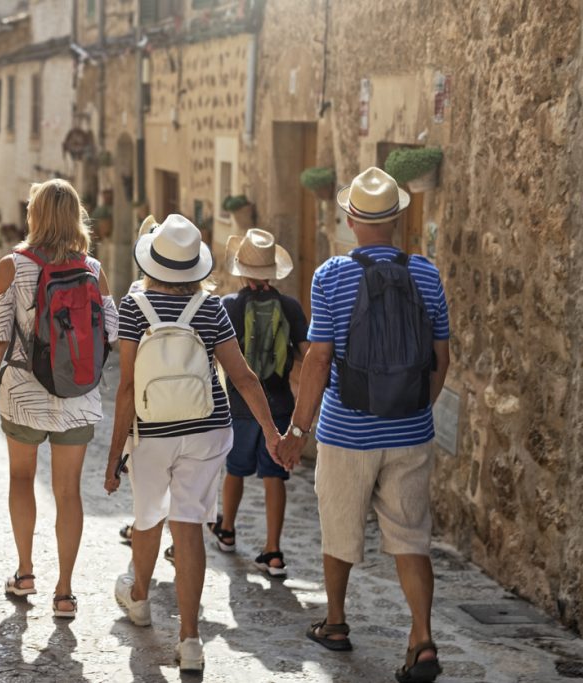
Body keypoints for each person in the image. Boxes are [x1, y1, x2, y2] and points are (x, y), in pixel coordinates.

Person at [277, 167, 450, 683]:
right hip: (410, 432)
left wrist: (297, 430)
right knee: (410, 538)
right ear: (396, 218)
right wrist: (415, 408)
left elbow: (319, 360)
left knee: (340, 528)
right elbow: (442, 357)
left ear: (352, 219)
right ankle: (421, 638)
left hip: (347, 430)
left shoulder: (331, 274)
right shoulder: (426, 273)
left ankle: (335, 621)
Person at [104, 215, 280, 672]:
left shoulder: (132, 307)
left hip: (152, 432)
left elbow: (125, 387)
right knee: (188, 527)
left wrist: (112, 457)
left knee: (147, 517)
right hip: (207, 428)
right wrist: (275, 432)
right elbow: (242, 377)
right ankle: (191, 640)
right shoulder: (210, 308)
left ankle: (139, 599)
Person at [0, 179, 118, 619]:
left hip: (23, 393)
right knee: (69, 491)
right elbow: (112, 332)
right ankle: (66, 592)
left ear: (34, 215)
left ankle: (25, 572)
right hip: (78, 394)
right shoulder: (93, 269)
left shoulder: (11, 266)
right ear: (76, 216)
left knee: (21, 478)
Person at [207, 229, 308, 579]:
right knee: (274, 476)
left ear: (242, 271)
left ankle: (228, 530)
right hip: (279, 405)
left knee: (235, 470)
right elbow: (307, 356)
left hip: (239, 407)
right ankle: (274, 551)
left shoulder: (229, 306)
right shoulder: (291, 307)